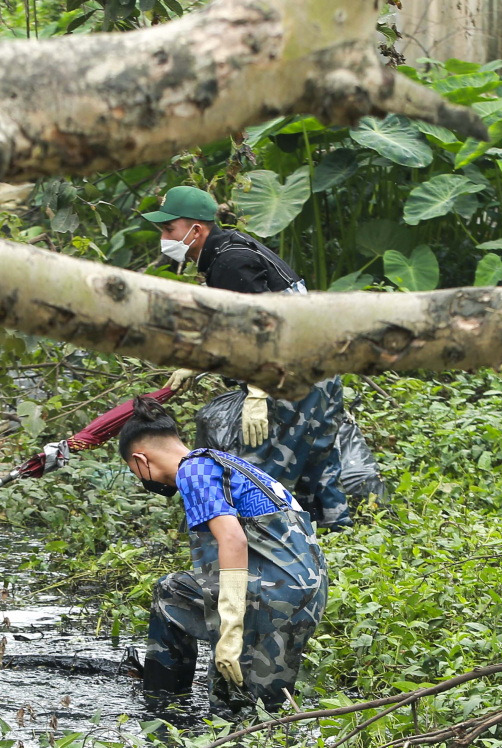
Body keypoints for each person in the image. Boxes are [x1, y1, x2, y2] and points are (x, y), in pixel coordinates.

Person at [142, 185, 350, 531]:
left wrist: (256, 392)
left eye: (169, 229)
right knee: (319, 463)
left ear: (196, 229)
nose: (164, 238)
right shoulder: (231, 249)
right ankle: (336, 537)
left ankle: (263, 547)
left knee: (260, 471)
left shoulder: (229, 260)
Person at [119, 395, 327, 715]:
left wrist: (230, 630)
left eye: (135, 471)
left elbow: (233, 539)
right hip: (304, 595)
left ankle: (163, 709)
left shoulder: (193, 471)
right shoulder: (225, 463)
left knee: (230, 710)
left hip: (270, 595)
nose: (141, 478)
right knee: (265, 710)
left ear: (140, 460)